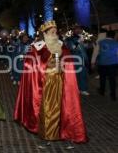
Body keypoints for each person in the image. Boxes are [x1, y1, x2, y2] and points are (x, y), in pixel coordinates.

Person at [14, 21, 87, 149]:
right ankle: (46, 137)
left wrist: (63, 67)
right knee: (47, 110)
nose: (55, 34)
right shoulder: (38, 46)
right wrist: (45, 66)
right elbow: (30, 63)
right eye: (52, 32)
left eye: (56, 31)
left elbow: (69, 61)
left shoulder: (61, 45)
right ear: (45, 33)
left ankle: (66, 136)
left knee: (64, 110)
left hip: (61, 82)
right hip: (45, 83)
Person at [65, 25, 90, 96]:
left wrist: (86, 43)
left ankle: (83, 89)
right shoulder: (70, 39)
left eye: (80, 29)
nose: (78, 30)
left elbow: (86, 48)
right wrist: (78, 41)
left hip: (83, 58)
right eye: (76, 29)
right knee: (76, 75)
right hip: (75, 59)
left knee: (83, 74)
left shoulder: (83, 37)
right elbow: (72, 48)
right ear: (73, 31)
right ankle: (77, 89)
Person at [94, 30, 118, 101]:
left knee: (102, 78)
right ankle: (113, 95)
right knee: (112, 79)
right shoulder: (116, 43)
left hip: (102, 64)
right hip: (113, 64)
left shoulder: (100, 42)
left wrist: (93, 61)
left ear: (106, 35)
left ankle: (102, 91)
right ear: (114, 36)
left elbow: (96, 52)